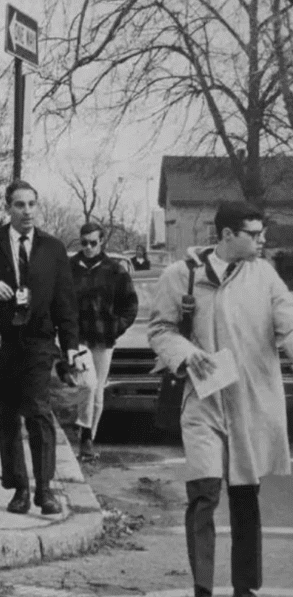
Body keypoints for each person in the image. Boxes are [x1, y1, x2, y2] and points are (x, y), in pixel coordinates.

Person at [148, 201, 292, 597]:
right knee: (204, 493)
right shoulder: (182, 275)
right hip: (202, 401)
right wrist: (184, 353)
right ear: (227, 235)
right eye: (254, 234)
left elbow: (288, 322)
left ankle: (245, 588)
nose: (262, 241)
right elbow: (160, 329)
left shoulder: (264, 276)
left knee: (245, 496)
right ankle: (203, 589)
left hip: (249, 403)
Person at [0, 180, 79, 515]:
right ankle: (19, 487)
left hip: (38, 340)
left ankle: (45, 489)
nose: (27, 212)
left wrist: (71, 346)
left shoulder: (52, 249)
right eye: (20, 205)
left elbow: (65, 301)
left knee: (38, 410)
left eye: (32, 204)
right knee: (6, 413)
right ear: (8, 208)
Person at [69, 222, 139, 461]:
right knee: (87, 384)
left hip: (104, 337)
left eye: (93, 243)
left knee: (98, 391)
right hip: (78, 337)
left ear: (101, 242)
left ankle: (88, 440)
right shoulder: (70, 268)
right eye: (84, 243)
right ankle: (85, 433)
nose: (88, 247)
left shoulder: (115, 270)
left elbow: (130, 305)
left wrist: (116, 327)